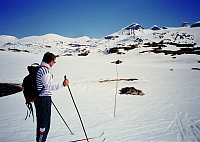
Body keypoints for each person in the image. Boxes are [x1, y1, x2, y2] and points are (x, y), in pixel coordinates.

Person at [34, 52, 69, 142]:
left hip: (41, 98)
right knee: (44, 123)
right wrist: (63, 84)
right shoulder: (45, 70)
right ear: (50, 61)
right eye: (54, 61)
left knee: (42, 122)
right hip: (43, 99)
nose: (54, 63)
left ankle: (40, 140)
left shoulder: (40, 69)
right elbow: (50, 86)